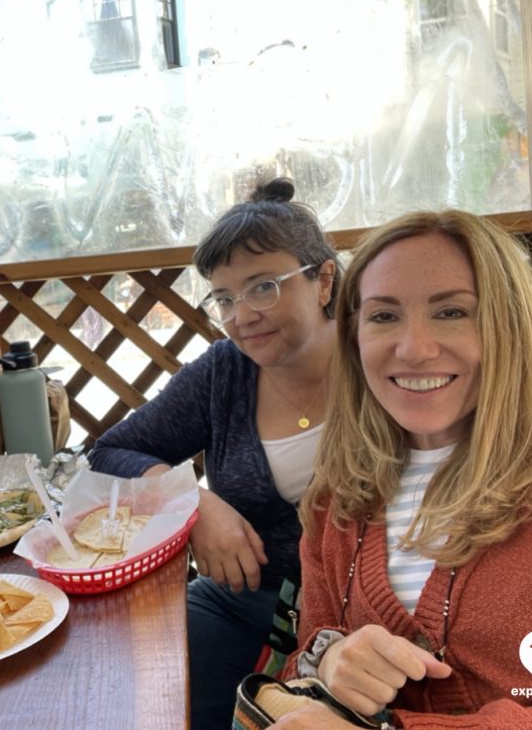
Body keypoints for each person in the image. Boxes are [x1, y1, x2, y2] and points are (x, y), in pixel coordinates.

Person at [276, 210, 532, 729]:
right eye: (384, 316)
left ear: (509, 323)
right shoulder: (338, 496)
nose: (414, 349)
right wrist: (328, 661)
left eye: (451, 312)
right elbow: (299, 671)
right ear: (353, 336)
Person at [88, 178, 340, 729]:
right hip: (241, 604)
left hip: (364, 624)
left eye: (263, 287)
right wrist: (194, 502)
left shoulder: (382, 363)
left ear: (323, 280)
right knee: (134, 697)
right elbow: (109, 453)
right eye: (224, 298)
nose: (241, 315)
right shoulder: (223, 372)